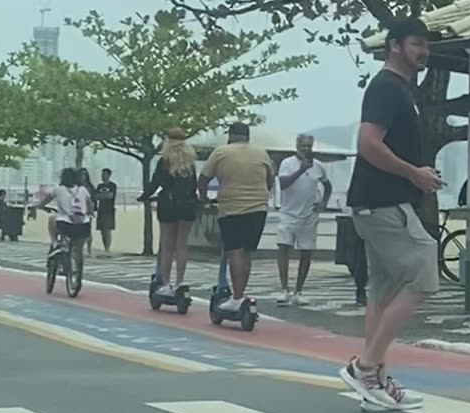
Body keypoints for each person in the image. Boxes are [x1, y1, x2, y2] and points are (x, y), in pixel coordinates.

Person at [339, 17, 443, 412]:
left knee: (382, 292)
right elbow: (367, 144)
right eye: (416, 44)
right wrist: (413, 173)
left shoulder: (399, 89)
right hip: (383, 203)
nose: (424, 52)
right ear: (395, 45)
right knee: (423, 272)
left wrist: (417, 177)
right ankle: (365, 367)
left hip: (377, 202)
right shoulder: (387, 88)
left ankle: (376, 382)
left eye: (425, 45)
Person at [198, 122, 275, 313]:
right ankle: (240, 293)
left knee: (234, 251)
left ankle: (237, 297)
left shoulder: (221, 152)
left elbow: (203, 178)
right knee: (247, 252)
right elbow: (270, 179)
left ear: (230, 136)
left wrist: (204, 197)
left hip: (232, 208)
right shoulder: (261, 153)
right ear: (248, 136)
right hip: (258, 208)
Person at [138, 128, 200, 296]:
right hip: (187, 205)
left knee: (167, 246)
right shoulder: (190, 163)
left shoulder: (164, 161)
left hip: (168, 204)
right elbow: (193, 185)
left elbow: (155, 183)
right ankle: (180, 281)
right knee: (181, 245)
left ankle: (165, 283)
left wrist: (144, 196)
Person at [274, 134, 332, 305]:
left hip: (309, 215)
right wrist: (301, 170)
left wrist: (323, 203)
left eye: (309, 146)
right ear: (297, 146)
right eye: (303, 146)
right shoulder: (287, 163)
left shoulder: (318, 166)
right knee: (283, 248)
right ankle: (284, 289)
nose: (306, 149)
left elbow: (327, 185)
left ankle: (299, 291)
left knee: (306, 252)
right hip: (288, 213)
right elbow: (283, 184)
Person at [36, 168, 92, 260]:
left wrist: (40, 206)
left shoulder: (58, 189)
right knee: (78, 246)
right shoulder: (83, 189)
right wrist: (90, 213)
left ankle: (55, 242)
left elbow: (45, 201)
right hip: (83, 224)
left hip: (65, 224)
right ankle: (77, 267)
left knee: (52, 219)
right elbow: (90, 203)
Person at [94, 168, 118, 256]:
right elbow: (96, 197)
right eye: (102, 174)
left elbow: (110, 195)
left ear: (109, 175)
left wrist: (101, 196)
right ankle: (105, 247)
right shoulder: (99, 186)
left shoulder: (112, 185)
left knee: (107, 229)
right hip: (101, 209)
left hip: (109, 209)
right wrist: (102, 196)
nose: (103, 176)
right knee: (102, 230)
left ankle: (108, 248)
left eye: (105, 174)